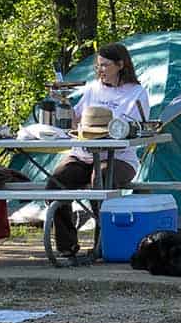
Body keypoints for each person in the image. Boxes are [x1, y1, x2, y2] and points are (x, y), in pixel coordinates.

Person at [46, 42, 151, 258]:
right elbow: (75, 120)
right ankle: (67, 245)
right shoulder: (93, 89)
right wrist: (61, 103)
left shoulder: (136, 93)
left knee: (100, 179)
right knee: (56, 183)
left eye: (104, 65)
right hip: (83, 154)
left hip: (119, 158)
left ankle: (103, 245)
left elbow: (134, 128)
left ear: (120, 65)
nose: (100, 70)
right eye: (98, 66)